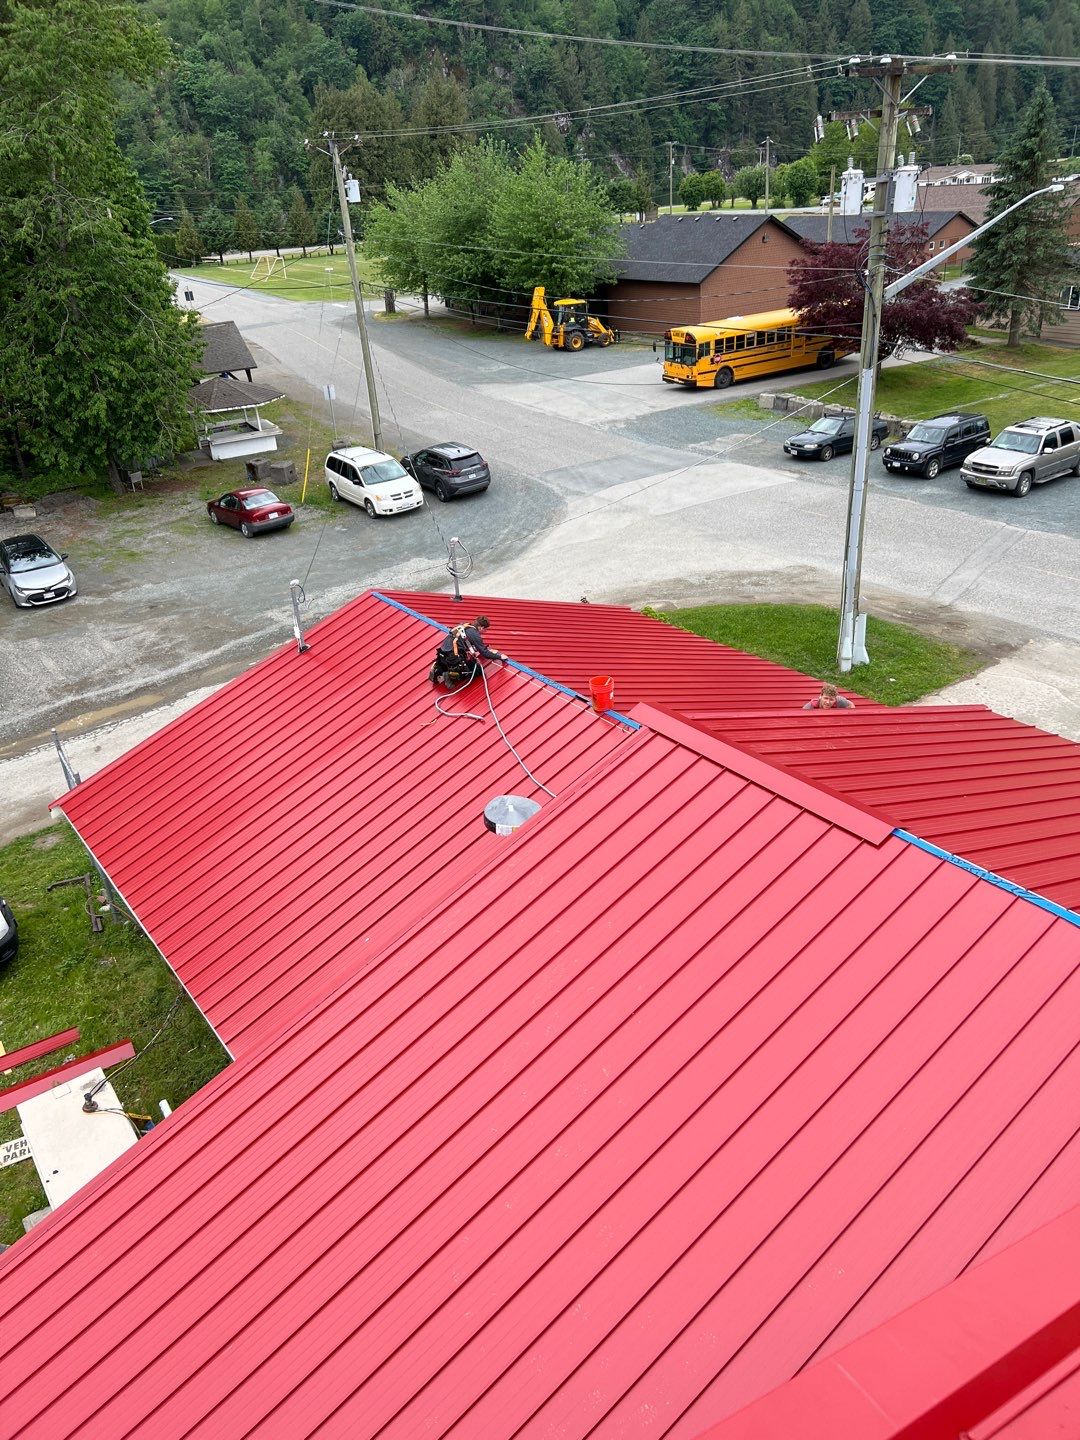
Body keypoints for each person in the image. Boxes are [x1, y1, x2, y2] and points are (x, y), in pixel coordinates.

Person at [429, 615, 507, 687]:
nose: (485, 631)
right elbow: (484, 653)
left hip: (442, 653)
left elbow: (466, 643)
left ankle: (437, 669)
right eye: (485, 629)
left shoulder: (464, 626)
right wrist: (499, 656)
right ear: (481, 627)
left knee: (447, 663)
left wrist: (481, 648)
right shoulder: (475, 634)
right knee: (477, 670)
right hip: (454, 657)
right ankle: (450, 676)